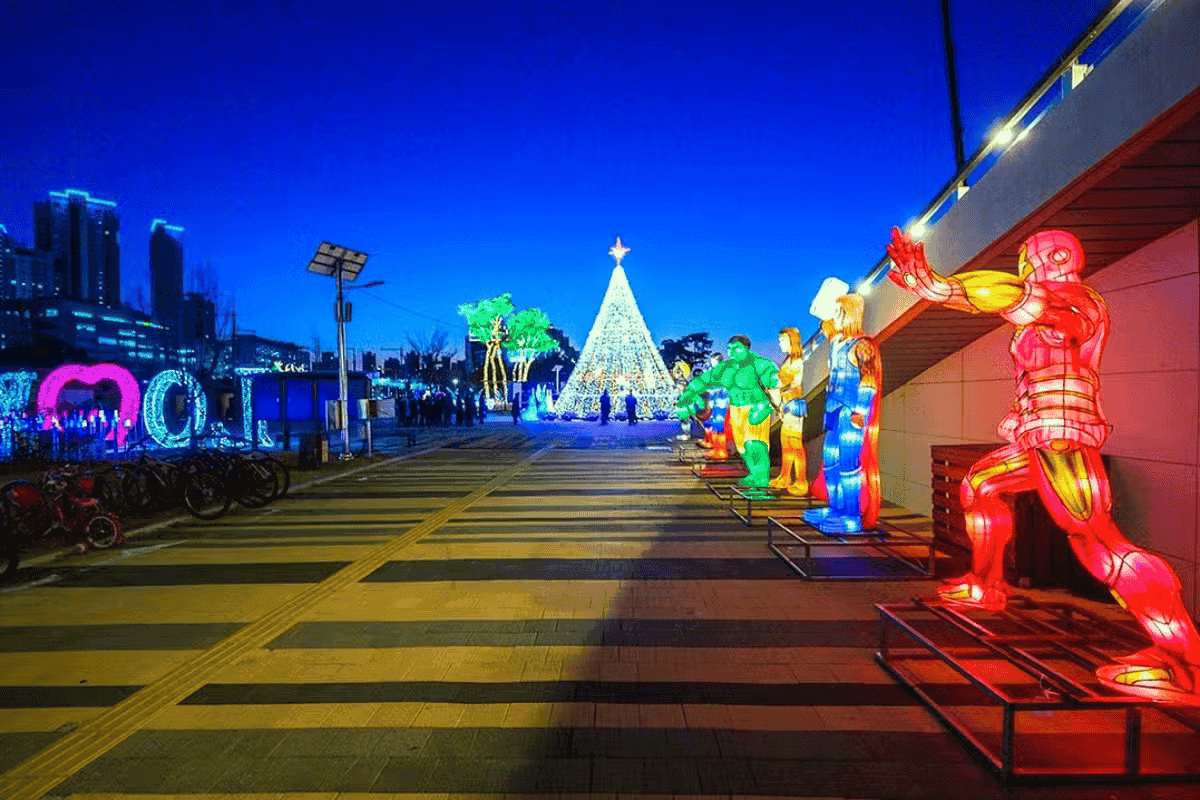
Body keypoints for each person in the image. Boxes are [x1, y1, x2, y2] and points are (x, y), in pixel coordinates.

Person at [888, 225, 1200, 705]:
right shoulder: (1055, 306)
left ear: (1048, 259)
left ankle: (1186, 660)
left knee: (1097, 541)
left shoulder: (1076, 303)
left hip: (1062, 438)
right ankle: (986, 584)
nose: (1024, 269)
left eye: (1028, 260)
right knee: (979, 485)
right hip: (1040, 437)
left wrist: (941, 288)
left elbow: (1019, 299)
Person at [802, 294, 882, 535]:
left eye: (838, 312)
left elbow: (868, 381)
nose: (834, 316)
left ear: (850, 314)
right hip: (834, 411)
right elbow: (823, 323)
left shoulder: (862, 345)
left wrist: (860, 410)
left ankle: (852, 515)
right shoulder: (838, 343)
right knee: (830, 461)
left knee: (849, 464)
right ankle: (836, 508)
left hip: (850, 412)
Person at [676, 336, 778, 489]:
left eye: (735, 348)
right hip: (735, 409)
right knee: (742, 445)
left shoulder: (759, 364)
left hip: (753, 408)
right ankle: (752, 473)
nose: (731, 352)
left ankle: (760, 478)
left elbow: (775, 382)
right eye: (729, 349)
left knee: (755, 443)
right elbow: (704, 381)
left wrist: (777, 403)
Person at [770, 327, 809, 495]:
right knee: (786, 444)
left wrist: (771, 380)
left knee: (794, 444)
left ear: (792, 341)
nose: (780, 343)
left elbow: (783, 381)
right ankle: (785, 476)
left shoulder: (796, 361)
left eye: (783, 340)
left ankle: (801, 481)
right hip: (787, 406)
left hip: (793, 406)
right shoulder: (789, 360)